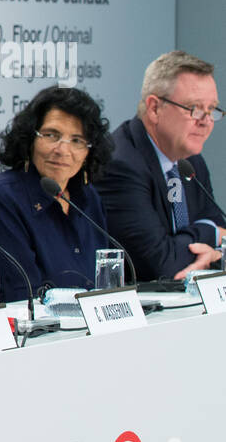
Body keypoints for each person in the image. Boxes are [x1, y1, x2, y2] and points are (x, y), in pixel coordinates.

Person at [0, 86, 114, 300]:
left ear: (89, 150)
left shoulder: (88, 198)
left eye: (77, 140)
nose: (63, 150)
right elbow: (19, 298)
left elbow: (104, 287)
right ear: (29, 138)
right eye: (51, 135)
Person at [95, 51, 225, 280]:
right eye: (194, 108)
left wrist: (212, 250)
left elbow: (221, 235)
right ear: (154, 108)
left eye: (212, 109)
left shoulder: (191, 161)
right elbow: (160, 264)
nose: (205, 121)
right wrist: (210, 233)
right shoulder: (121, 164)